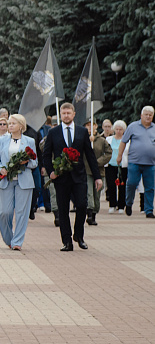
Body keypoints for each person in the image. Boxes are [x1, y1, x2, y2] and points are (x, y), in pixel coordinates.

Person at [42, 102, 101, 251]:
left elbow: (90, 155)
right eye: (63, 113)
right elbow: (47, 154)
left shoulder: (82, 132)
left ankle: (79, 236)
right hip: (61, 177)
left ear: (74, 114)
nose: (66, 116)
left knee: (82, 205)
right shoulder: (53, 133)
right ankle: (66, 241)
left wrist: (97, 176)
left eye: (69, 113)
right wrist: (51, 172)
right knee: (63, 210)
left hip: (79, 176)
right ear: (60, 115)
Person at [0, 113, 39, 250]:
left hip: (24, 181)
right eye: (9, 123)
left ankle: (17, 242)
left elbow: (35, 162)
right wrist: (0, 169)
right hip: (6, 180)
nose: (10, 125)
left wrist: (26, 162)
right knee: (3, 213)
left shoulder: (29, 141)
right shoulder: (2, 140)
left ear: (21, 126)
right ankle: (9, 238)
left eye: (13, 123)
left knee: (21, 213)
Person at [117, 106, 155, 217]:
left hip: (151, 163)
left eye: (150, 115)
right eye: (146, 114)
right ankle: (128, 204)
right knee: (131, 183)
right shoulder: (133, 127)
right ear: (141, 115)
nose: (148, 117)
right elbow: (123, 142)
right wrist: (119, 156)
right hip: (134, 162)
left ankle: (149, 210)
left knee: (150, 187)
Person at [87, 120, 111, 226]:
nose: (89, 128)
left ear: (96, 126)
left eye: (91, 125)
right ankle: (89, 215)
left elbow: (109, 153)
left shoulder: (101, 140)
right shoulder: (82, 139)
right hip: (86, 171)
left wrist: (98, 162)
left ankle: (94, 213)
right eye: (87, 126)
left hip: (98, 171)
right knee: (89, 193)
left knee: (96, 194)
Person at [106, 120, 127, 213]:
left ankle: (121, 206)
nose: (118, 131)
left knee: (122, 185)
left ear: (123, 130)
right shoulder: (108, 139)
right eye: (117, 129)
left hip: (122, 166)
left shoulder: (126, 140)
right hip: (110, 165)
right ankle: (112, 204)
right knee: (111, 185)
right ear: (114, 129)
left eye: (121, 129)